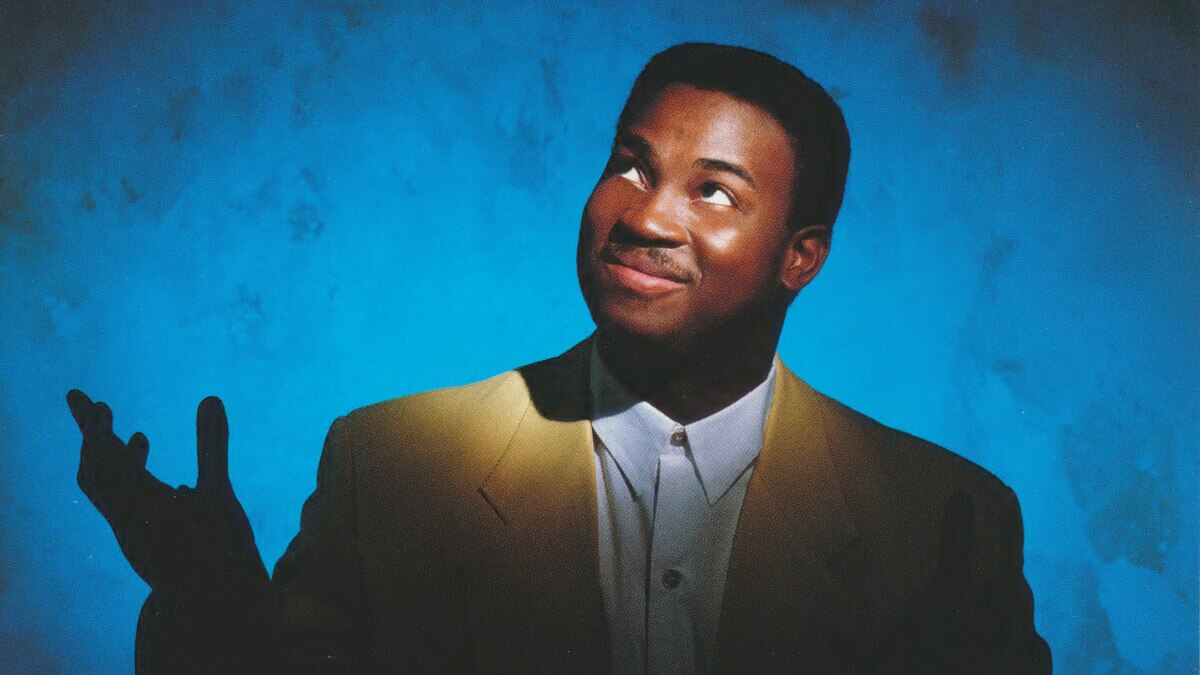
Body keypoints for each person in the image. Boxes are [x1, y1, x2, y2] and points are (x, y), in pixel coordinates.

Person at [68, 43, 1051, 673]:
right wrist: (208, 596)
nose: (647, 216)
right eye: (632, 163)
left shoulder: (943, 520)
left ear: (804, 254)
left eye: (714, 191)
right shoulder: (392, 463)